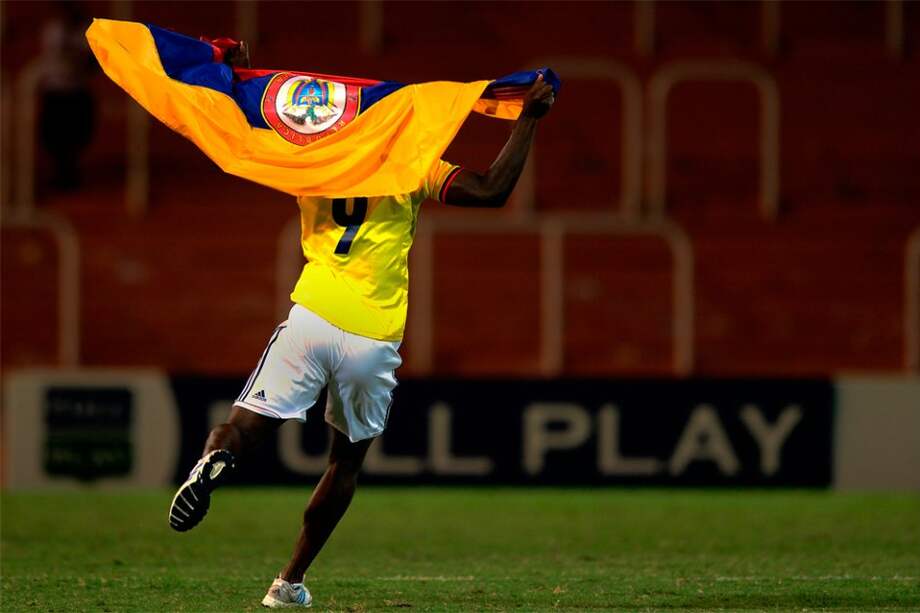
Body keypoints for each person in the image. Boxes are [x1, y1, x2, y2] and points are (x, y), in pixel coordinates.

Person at [167, 41, 555, 609]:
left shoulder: (311, 156)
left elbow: (251, 118)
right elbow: (492, 190)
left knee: (244, 426)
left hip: (313, 316)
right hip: (373, 337)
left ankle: (213, 460)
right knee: (345, 463)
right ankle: (289, 581)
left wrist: (228, 69)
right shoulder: (410, 165)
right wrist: (528, 121)